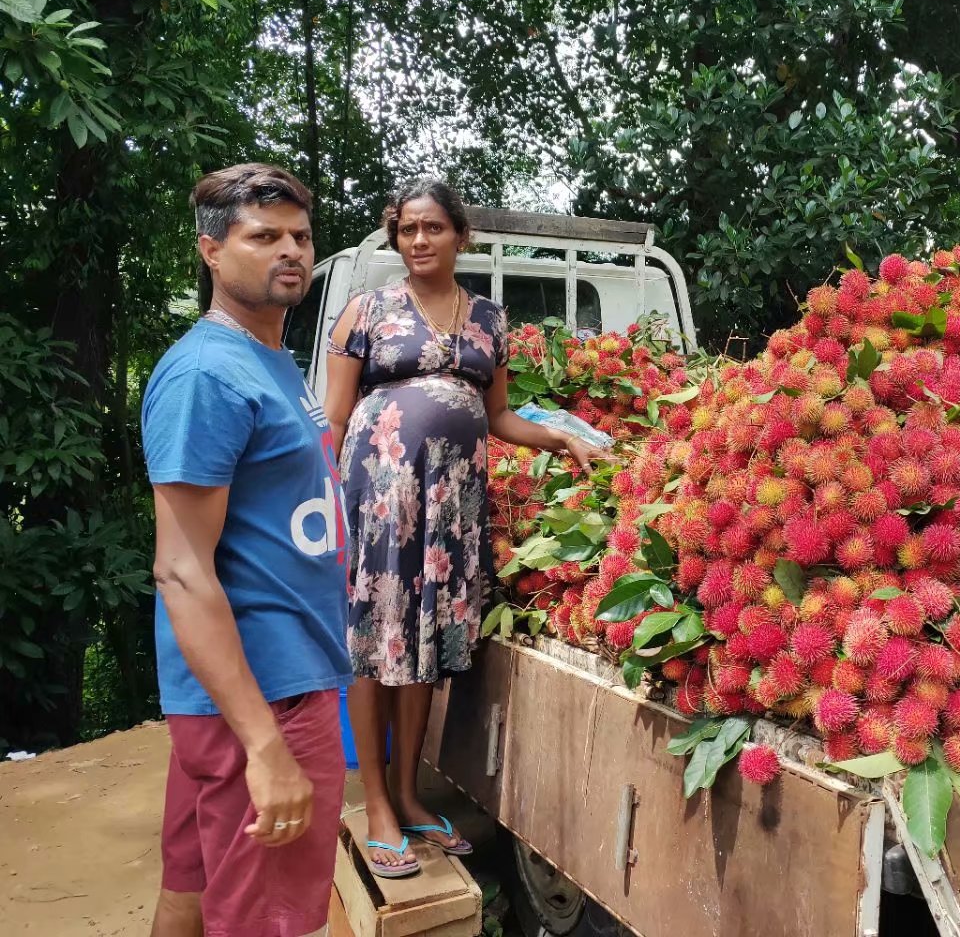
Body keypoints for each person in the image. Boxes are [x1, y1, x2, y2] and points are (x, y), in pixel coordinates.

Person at [324, 177, 611, 877]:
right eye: (406, 229)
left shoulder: (488, 318)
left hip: (452, 500)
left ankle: (410, 792)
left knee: (422, 642)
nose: (417, 240)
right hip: (380, 498)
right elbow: (333, 418)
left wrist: (560, 441)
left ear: (460, 235)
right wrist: (326, 506)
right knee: (375, 640)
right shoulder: (368, 309)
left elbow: (497, 416)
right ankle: (378, 804)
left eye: (431, 227)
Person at [143, 164, 351, 937]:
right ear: (211, 251)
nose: (288, 250)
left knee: (194, 892)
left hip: (260, 685)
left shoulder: (271, 362)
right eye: (263, 236)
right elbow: (181, 568)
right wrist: (264, 744)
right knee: (274, 919)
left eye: (299, 235)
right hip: (268, 693)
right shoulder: (206, 374)